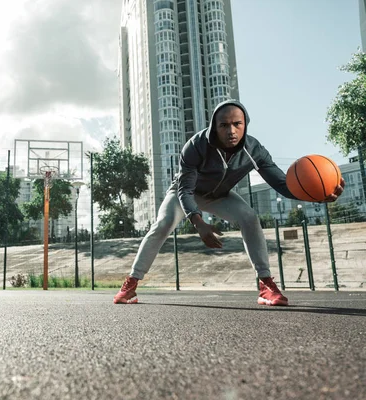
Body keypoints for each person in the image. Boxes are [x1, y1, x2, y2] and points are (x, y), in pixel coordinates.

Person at [114, 99, 345, 306]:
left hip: (220, 195)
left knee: (249, 217)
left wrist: (315, 195)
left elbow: (283, 185)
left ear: (245, 125)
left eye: (237, 124)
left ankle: (265, 285)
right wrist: (198, 223)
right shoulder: (195, 146)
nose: (231, 130)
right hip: (186, 192)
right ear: (214, 126)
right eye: (224, 125)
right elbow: (185, 189)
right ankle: (131, 284)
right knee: (162, 224)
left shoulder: (255, 150)